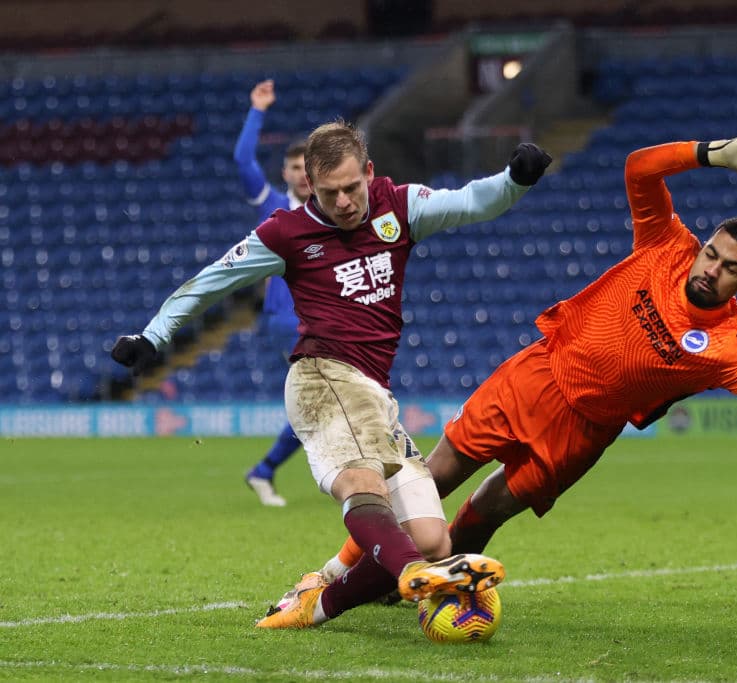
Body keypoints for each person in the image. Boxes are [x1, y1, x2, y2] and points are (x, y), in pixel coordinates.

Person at [302, 121, 737, 602]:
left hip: (585, 429)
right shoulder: (666, 243)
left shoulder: (730, 348)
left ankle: (429, 589)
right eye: (714, 255)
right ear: (702, 246)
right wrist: (713, 153)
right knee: (432, 474)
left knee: (487, 512)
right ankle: (335, 575)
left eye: (731, 269)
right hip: (537, 372)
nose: (714, 269)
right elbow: (640, 168)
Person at [110, 118, 553, 629]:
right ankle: (409, 573)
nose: (343, 202)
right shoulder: (287, 231)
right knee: (363, 487)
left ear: (368, 171)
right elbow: (212, 281)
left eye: (351, 188)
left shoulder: (399, 207)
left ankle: (317, 597)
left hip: (373, 394)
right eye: (328, 193)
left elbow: (473, 201)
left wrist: (514, 180)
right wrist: (153, 335)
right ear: (310, 188)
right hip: (322, 377)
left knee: (434, 539)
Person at [233, 79, 312, 507]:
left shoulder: (330, 215)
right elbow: (242, 158)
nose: (301, 174)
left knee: (317, 403)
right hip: (288, 321)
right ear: (285, 173)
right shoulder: (272, 207)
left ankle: (263, 471)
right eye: (295, 168)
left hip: (318, 320)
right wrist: (258, 110)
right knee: (332, 394)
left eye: (308, 168)